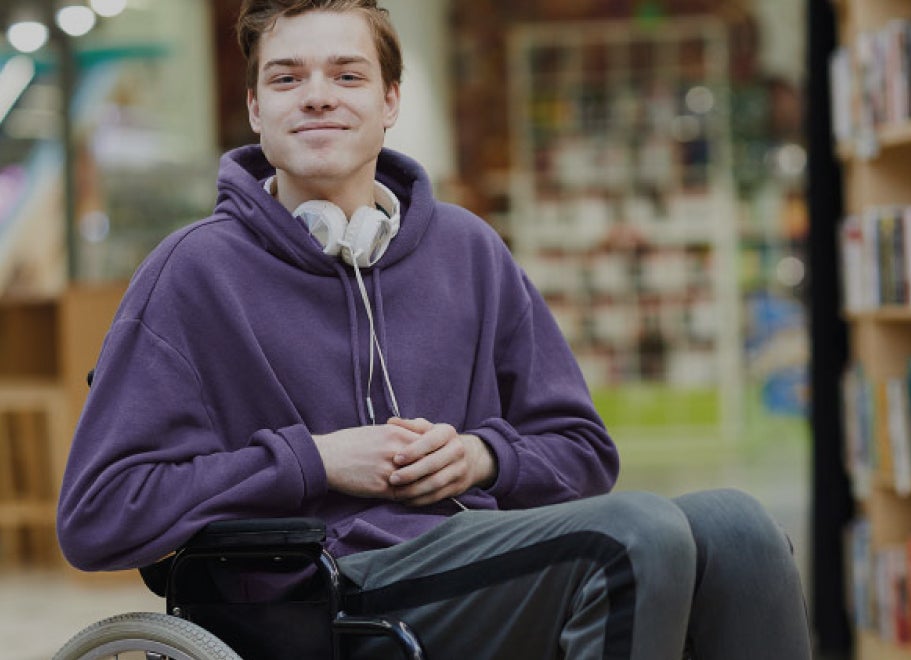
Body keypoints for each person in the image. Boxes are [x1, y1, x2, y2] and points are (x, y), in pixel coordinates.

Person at [57, 1, 813, 657]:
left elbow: (584, 453)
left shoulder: (469, 249)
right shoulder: (192, 272)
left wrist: (483, 458)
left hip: (474, 560)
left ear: (390, 100)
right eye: (287, 78)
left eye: (347, 76)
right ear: (256, 108)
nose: (317, 97)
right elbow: (97, 515)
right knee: (634, 534)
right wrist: (314, 462)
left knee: (739, 529)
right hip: (316, 595)